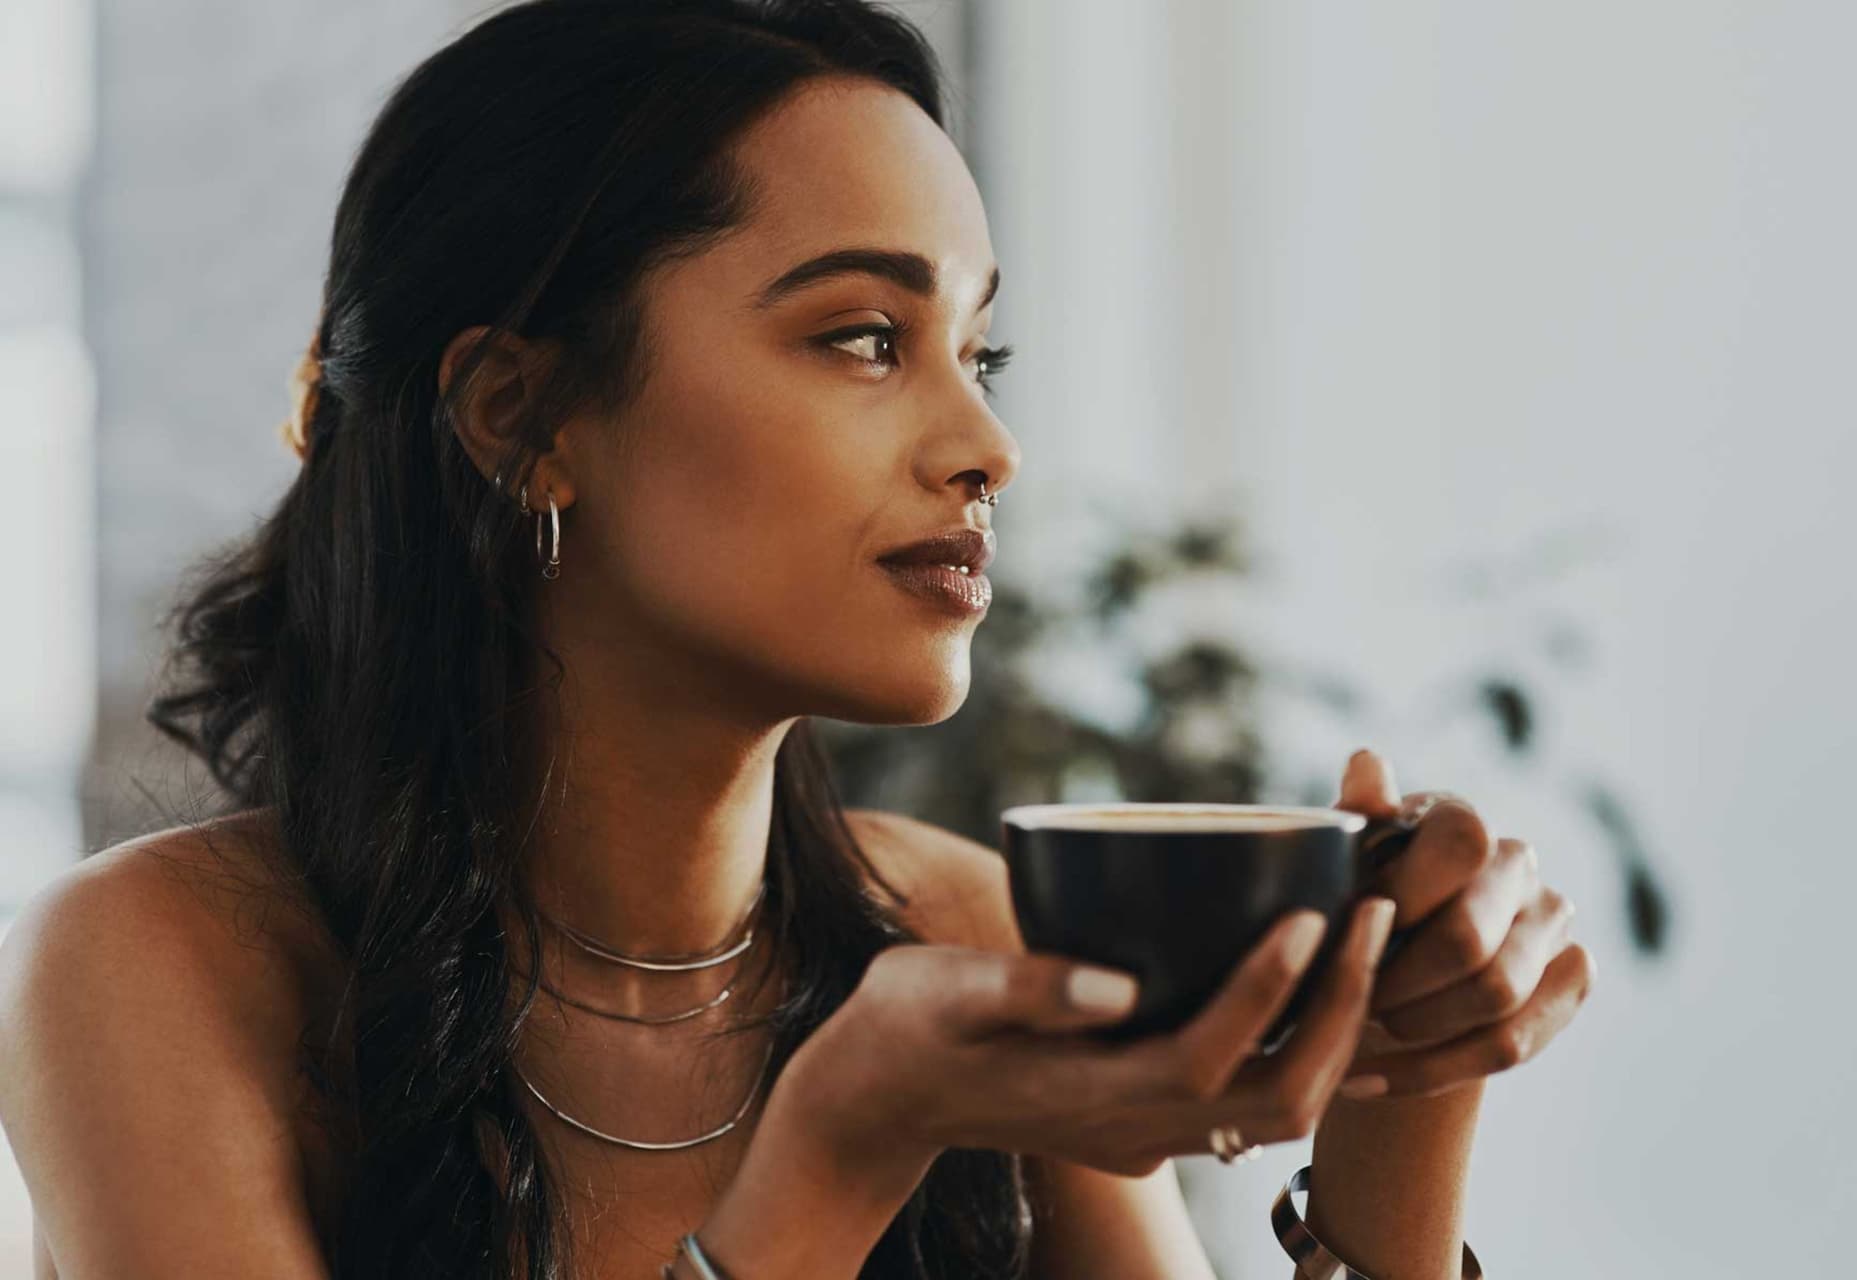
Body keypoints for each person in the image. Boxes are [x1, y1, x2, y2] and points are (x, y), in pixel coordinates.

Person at [0, 2, 1595, 1277]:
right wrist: (841, 1142)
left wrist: (1407, 1099)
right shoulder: (155, 969)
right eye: (865, 339)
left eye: (980, 352)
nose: (988, 446)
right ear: (520, 415)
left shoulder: (962, 926)